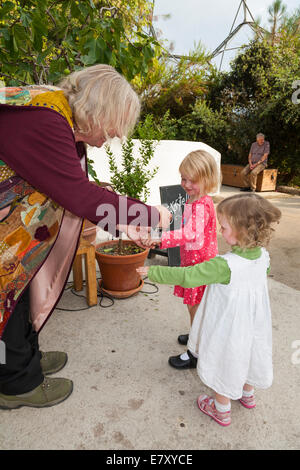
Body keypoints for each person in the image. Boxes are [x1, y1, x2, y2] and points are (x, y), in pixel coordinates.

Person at [0, 64, 170, 409]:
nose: (115, 136)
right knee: (8, 302)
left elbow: (75, 189)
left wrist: (126, 224)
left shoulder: (55, 112)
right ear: (98, 111)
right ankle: (16, 384)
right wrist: (150, 215)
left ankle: (25, 361)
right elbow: (80, 195)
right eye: (115, 125)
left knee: (19, 293)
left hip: (11, 232)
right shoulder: (46, 123)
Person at [137, 193, 281, 427]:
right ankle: (247, 394)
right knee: (249, 353)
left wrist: (154, 273)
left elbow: (188, 276)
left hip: (230, 325)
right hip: (254, 323)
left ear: (242, 231)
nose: (219, 232)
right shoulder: (264, 258)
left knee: (227, 359)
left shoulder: (224, 265)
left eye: (224, 227)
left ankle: (221, 408)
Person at [143, 150, 219, 369]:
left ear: (207, 179)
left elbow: (189, 233)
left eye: (191, 180)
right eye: (183, 178)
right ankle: (197, 333)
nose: (185, 184)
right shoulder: (193, 198)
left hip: (200, 265)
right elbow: (184, 229)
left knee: (196, 307)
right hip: (192, 261)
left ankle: (196, 352)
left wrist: (159, 239)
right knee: (194, 307)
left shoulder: (202, 204)